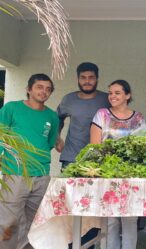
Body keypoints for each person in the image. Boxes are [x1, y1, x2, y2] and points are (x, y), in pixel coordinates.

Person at [0, 74, 59, 249]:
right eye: (39, 87)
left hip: (41, 176)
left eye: (48, 89)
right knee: (8, 221)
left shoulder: (52, 116)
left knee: (35, 222)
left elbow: (48, 144)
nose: (44, 92)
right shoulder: (11, 108)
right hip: (15, 174)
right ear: (29, 89)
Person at [56, 62, 109, 248]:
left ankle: (90, 244)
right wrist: (57, 137)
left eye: (91, 78)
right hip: (71, 158)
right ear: (78, 79)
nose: (87, 81)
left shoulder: (106, 99)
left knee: (94, 206)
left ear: (97, 79)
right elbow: (58, 119)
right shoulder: (68, 99)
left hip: (98, 162)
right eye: (83, 78)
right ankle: (70, 244)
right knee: (70, 206)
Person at [90, 80, 145, 249]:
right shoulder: (102, 114)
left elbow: (144, 146)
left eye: (117, 93)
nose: (112, 96)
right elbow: (94, 146)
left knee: (130, 219)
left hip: (131, 175)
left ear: (127, 95)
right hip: (107, 174)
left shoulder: (138, 118)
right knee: (111, 220)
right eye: (110, 93)